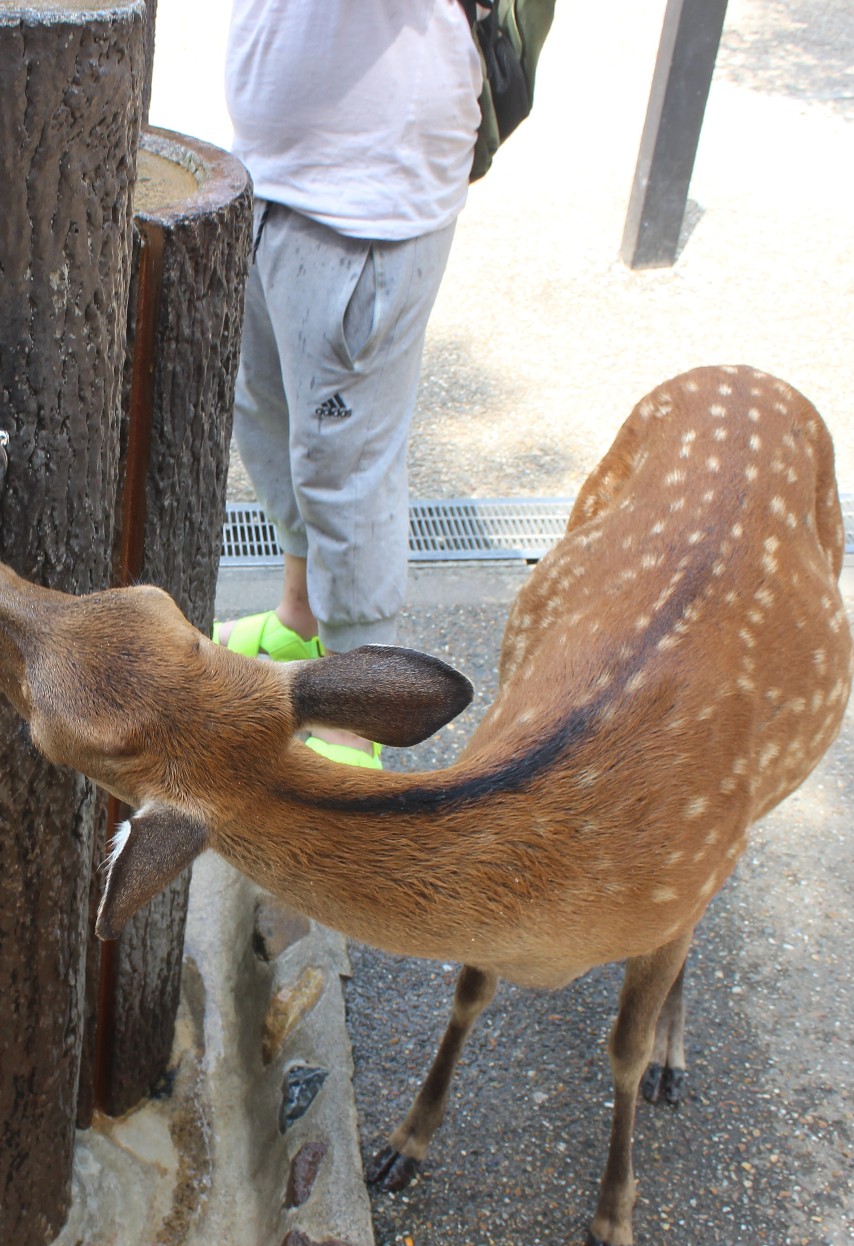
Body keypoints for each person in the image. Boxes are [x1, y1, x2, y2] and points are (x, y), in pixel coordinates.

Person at [216, 0, 483, 767]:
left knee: (344, 465)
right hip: (277, 173)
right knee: (269, 422)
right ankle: (303, 619)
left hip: (367, 189)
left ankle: (357, 713)